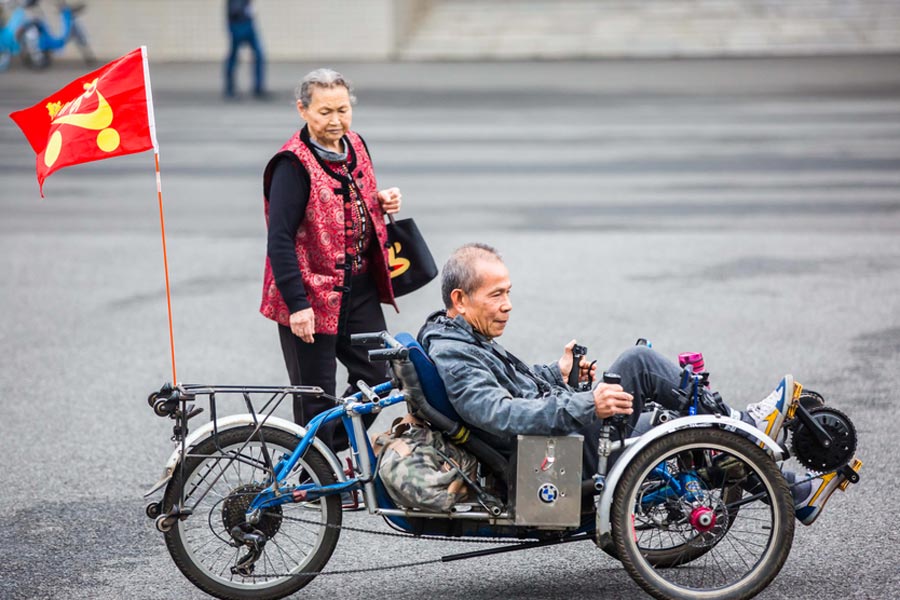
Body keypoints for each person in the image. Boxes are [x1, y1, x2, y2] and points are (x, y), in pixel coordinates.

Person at [418, 243, 860, 525]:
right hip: (548, 454)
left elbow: (513, 388)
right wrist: (588, 403)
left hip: (555, 432)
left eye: (509, 292)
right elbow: (498, 414)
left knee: (676, 421)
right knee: (640, 363)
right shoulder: (454, 351)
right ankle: (746, 425)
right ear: (460, 300)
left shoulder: (461, 335)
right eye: (496, 295)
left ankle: (793, 491)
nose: (508, 305)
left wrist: (559, 372)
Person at [260, 68, 402, 451]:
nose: (336, 120)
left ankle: (318, 456)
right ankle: (314, 482)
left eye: (342, 109)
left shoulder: (355, 143)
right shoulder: (291, 165)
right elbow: (280, 240)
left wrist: (381, 200)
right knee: (315, 396)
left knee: (379, 378)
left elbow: (352, 200)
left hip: (358, 289)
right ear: (303, 110)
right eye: (325, 112)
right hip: (310, 295)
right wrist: (298, 306)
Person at [224, 0, 266, 99]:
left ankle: (258, 87)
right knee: (234, 57)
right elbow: (234, 10)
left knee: (259, 55)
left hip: (248, 23)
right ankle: (230, 89)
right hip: (238, 24)